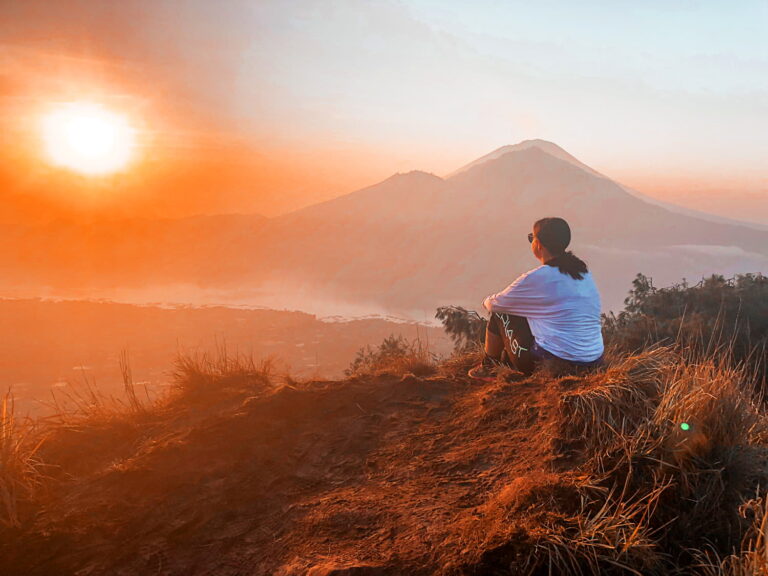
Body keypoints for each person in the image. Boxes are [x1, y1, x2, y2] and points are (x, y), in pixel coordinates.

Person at [468, 217, 604, 381]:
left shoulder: (537, 278)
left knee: (500, 312)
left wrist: (486, 301)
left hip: (551, 365)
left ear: (538, 244)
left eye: (531, 238)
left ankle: (489, 366)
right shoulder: (582, 273)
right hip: (593, 362)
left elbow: (494, 304)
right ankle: (505, 362)